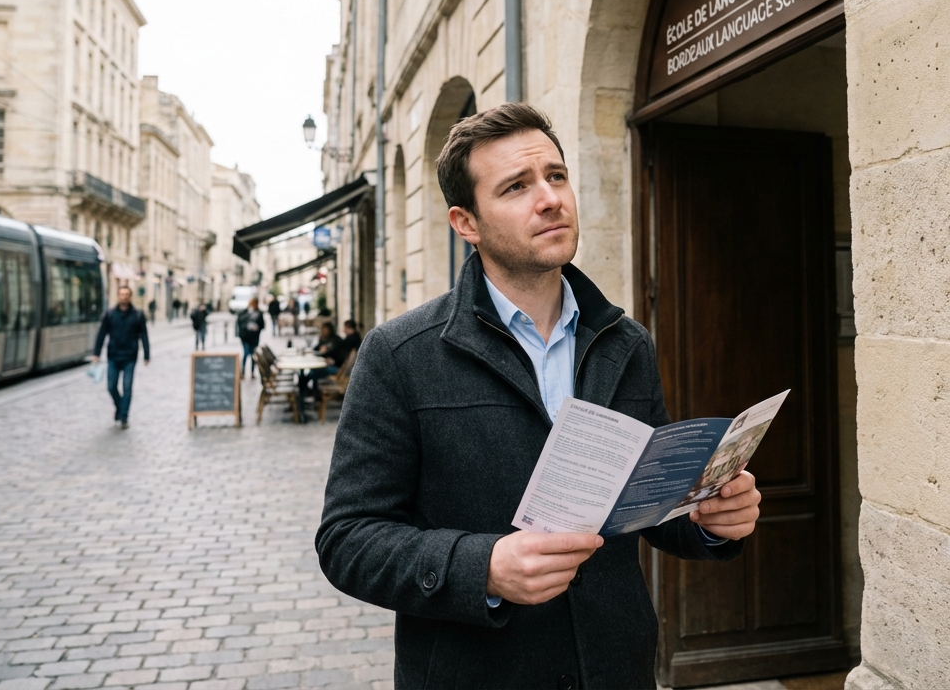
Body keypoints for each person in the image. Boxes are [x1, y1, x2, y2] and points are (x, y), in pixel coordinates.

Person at [316, 104, 761, 688]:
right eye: (517, 186)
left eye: (556, 176)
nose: (550, 198)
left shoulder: (625, 342)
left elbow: (646, 509)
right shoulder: (401, 355)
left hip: (616, 668)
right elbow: (347, 539)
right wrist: (485, 568)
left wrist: (710, 519)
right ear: (466, 222)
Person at [93, 285, 150, 429]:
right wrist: (96, 353)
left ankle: (124, 417)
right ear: (118, 296)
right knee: (111, 386)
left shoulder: (138, 315)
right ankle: (120, 408)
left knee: (127, 388)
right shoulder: (110, 314)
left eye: (126, 294)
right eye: (121, 294)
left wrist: (147, 355)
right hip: (113, 356)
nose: (123, 297)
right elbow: (102, 333)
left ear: (130, 297)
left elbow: (144, 335)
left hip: (130, 357)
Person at [236, 297, 265, 378]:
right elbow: (240, 322)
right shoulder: (245, 312)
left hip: (254, 338)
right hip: (245, 337)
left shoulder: (259, 313)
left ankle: (252, 372)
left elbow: (262, 325)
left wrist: (256, 327)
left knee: (253, 356)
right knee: (246, 354)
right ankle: (243, 372)